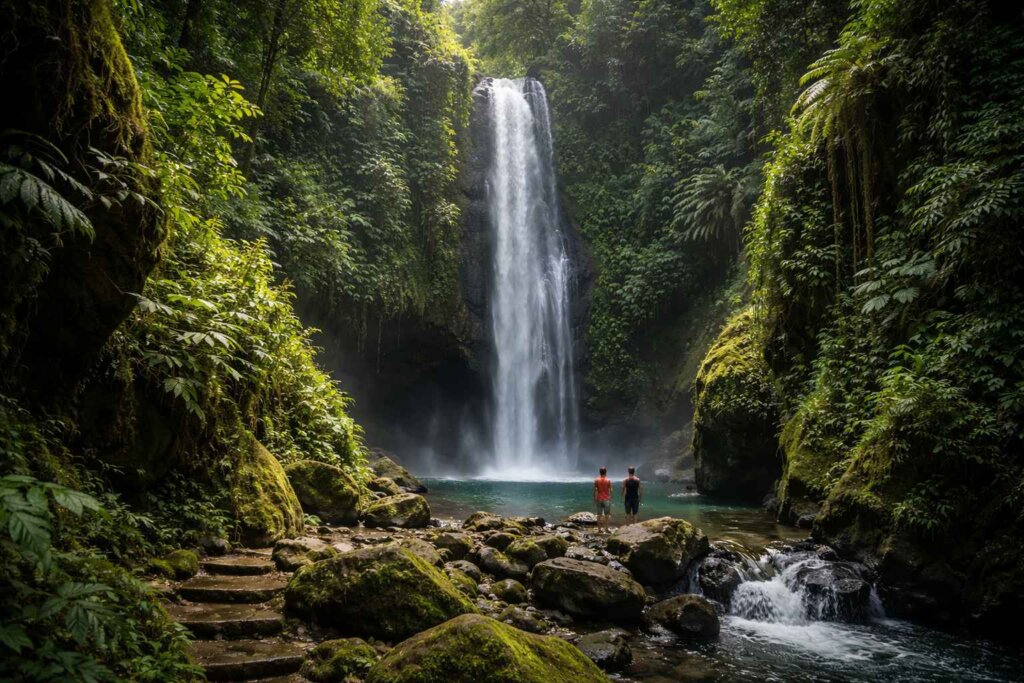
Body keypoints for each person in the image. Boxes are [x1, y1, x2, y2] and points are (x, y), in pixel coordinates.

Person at [593, 467, 613, 532]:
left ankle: (599, 529)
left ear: (600, 472)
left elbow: (595, 490)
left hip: (599, 498)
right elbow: (611, 490)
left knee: (599, 515)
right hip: (606, 499)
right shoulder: (608, 480)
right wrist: (611, 497)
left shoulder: (596, 480)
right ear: (606, 472)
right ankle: (606, 528)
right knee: (607, 515)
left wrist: (594, 499)